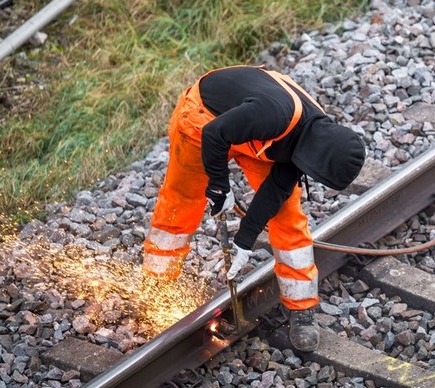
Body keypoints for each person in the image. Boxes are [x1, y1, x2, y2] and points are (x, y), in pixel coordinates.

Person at [142, 65, 365, 352]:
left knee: (288, 217)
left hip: (258, 135)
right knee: (182, 203)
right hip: (205, 118)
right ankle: (157, 286)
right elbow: (214, 134)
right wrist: (220, 186)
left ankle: (301, 307)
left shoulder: (317, 139)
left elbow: (275, 191)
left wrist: (244, 240)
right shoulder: (273, 114)